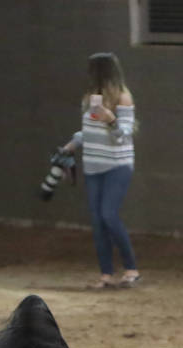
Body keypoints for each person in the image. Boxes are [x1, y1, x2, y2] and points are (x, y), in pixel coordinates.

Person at [63, 52, 141, 289]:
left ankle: (131, 268)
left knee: (109, 214)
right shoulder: (89, 98)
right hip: (93, 164)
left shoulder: (123, 98)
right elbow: (87, 132)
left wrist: (110, 119)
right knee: (97, 221)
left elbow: (124, 135)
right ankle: (106, 274)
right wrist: (71, 145)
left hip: (118, 164)